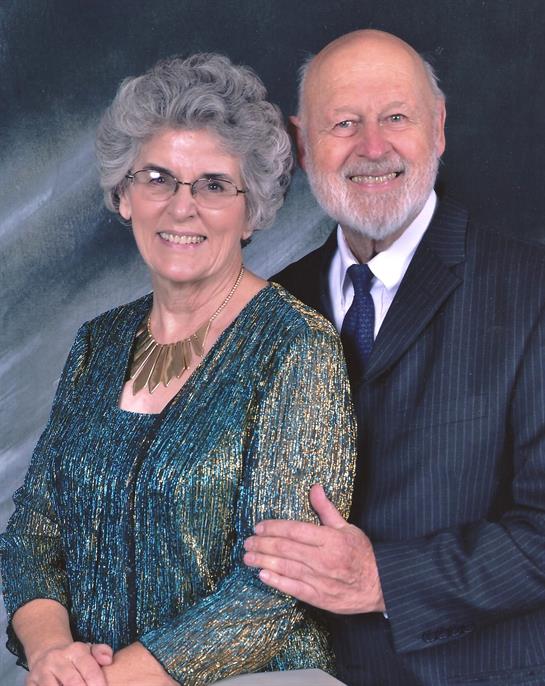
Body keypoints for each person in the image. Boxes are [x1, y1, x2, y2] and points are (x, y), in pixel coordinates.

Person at [0, 54, 356, 686]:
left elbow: (277, 586)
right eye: (158, 178)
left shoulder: (297, 347)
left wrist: (111, 680)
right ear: (123, 195)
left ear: (252, 210)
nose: (181, 207)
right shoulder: (98, 343)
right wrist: (52, 652)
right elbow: (33, 530)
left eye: (214, 185)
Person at [243, 29, 545, 686]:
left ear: (438, 128)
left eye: (396, 118)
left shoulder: (532, 291)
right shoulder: (265, 310)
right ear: (302, 142)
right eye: (343, 123)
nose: (373, 147)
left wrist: (383, 579)